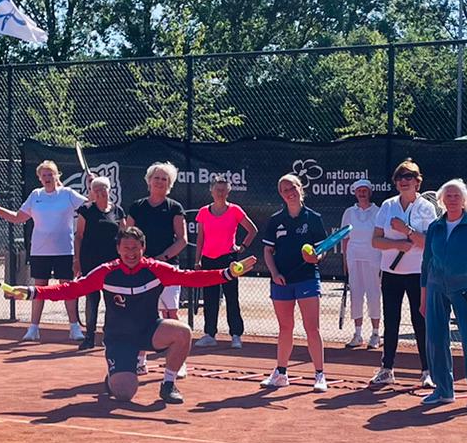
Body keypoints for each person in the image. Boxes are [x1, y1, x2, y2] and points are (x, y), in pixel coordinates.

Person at [6, 227, 256, 406]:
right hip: (119, 338)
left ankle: (168, 385)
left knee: (183, 332)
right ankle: (115, 375)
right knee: (125, 395)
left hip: (149, 331)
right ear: (118, 250)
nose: (131, 253)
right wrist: (31, 292)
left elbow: (190, 277)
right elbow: (71, 289)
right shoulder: (106, 272)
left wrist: (226, 274)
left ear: (143, 249)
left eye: (135, 248)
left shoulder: (156, 269)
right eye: (126, 248)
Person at [0, 161, 87, 343]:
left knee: (68, 289)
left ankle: (74, 328)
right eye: (44, 175)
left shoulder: (67, 194)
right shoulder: (35, 195)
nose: (48, 178)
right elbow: (18, 218)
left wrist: (93, 186)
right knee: (39, 289)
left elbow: (90, 206)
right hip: (40, 251)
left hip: (64, 250)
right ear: (40, 178)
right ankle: (33, 329)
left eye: (51, 174)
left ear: (57, 176)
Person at [419, 179, 467, 409]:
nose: (452, 199)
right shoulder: (435, 227)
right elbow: (426, 262)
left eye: (456, 196)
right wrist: (424, 295)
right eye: (448, 196)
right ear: (441, 200)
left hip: (466, 290)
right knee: (434, 339)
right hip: (435, 288)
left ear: (465, 200)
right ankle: (443, 390)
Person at [259, 173, 329, 391]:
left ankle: (319, 375)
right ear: (281, 194)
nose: (289, 192)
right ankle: (281, 373)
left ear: (301, 189)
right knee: (285, 327)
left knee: (312, 328)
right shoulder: (275, 220)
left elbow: (321, 251)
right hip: (281, 281)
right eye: (284, 190)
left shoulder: (314, 218)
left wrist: (315, 258)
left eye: (293, 188)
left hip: (307, 278)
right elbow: (268, 251)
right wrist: (274, 273)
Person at [370, 159, 436, 387]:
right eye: (400, 177)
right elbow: (376, 241)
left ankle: (427, 370)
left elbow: (430, 243)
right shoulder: (387, 206)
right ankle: (387, 369)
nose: (403, 181)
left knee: (421, 321)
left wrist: (406, 231)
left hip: (419, 274)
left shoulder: (427, 208)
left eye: (409, 177)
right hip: (390, 273)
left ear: (418, 182)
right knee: (391, 321)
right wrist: (397, 244)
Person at [126, 162, 189, 374]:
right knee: (143, 313)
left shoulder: (175, 208)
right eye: (157, 178)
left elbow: (182, 240)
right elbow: (128, 236)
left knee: (171, 312)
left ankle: (178, 363)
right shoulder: (136, 207)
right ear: (149, 181)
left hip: (167, 268)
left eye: (164, 179)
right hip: (141, 269)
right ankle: (140, 360)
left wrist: (162, 258)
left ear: (169, 184)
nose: (160, 182)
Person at [195, 176, 256, 349]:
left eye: (223, 190)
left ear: (228, 192)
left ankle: (236, 335)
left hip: (228, 260)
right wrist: (197, 261)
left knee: (231, 297)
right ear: (211, 191)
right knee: (209, 298)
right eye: (217, 189)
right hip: (208, 260)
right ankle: (209, 334)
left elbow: (252, 230)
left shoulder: (235, 210)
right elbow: (200, 238)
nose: (220, 193)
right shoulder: (203, 212)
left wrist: (242, 247)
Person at [74, 176, 125, 350]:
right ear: (92, 193)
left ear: (110, 190)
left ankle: (109, 336)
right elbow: (79, 236)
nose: (101, 192)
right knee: (92, 299)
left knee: (112, 300)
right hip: (90, 262)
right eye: (97, 189)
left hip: (112, 264)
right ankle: (89, 337)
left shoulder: (118, 211)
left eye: (104, 188)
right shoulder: (86, 210)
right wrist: (77, 260)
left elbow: (124, 235)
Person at [341, 178, 383, 349]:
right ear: (355, 193)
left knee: (374, 295)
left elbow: (382, 237)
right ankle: (357, 334)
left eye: (365, 190)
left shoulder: (378, 212)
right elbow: (344, 238)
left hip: (373, 258)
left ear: (370, 192)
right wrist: (345, 261)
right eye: (359, 190)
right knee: (356, 295)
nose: (362, 193)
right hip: (354, 258)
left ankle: (375, 334)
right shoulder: (349, 213)